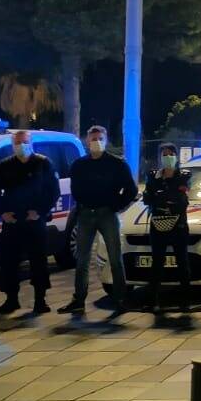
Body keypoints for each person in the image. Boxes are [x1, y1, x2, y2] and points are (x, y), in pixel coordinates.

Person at [62, 125, 139, 315]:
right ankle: (78, 299)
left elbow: (131, 190)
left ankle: (121, 298)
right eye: (93, 139)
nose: (96, 143)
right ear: (87, 141)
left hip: (107, 214)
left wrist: (116, 206)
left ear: (105, 140)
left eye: (100, 139)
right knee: (82, 260)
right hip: (86, 215)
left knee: (115, 258)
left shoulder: (117, 163)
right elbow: (76, 190)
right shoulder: (80, 165)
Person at [0, 130, 60, 315]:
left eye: (25, 142)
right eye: (18, 143)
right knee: (9, 262)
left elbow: (53, 192)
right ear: (13, 145)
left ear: (31, 142)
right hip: (12, 222)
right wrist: (2, 212)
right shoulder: (4, 166)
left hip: (35, 221)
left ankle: (40, 300)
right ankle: (11, 300)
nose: (22, 146)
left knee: (39, 262)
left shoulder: (43, 164)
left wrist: (40, 212)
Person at [142, 143, 194, 314]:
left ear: (176, 156)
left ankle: (185, 301)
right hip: (157, 224)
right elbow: (148, 198)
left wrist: (161, 197)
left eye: (170, 154)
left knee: (182, 262)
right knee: (157, 263)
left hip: (178, 225)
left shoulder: (184, 176)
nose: (167, 157)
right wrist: (165, 198)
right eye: (164, 155)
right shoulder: (153, 177)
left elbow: (181, 200)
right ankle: (153, 300)